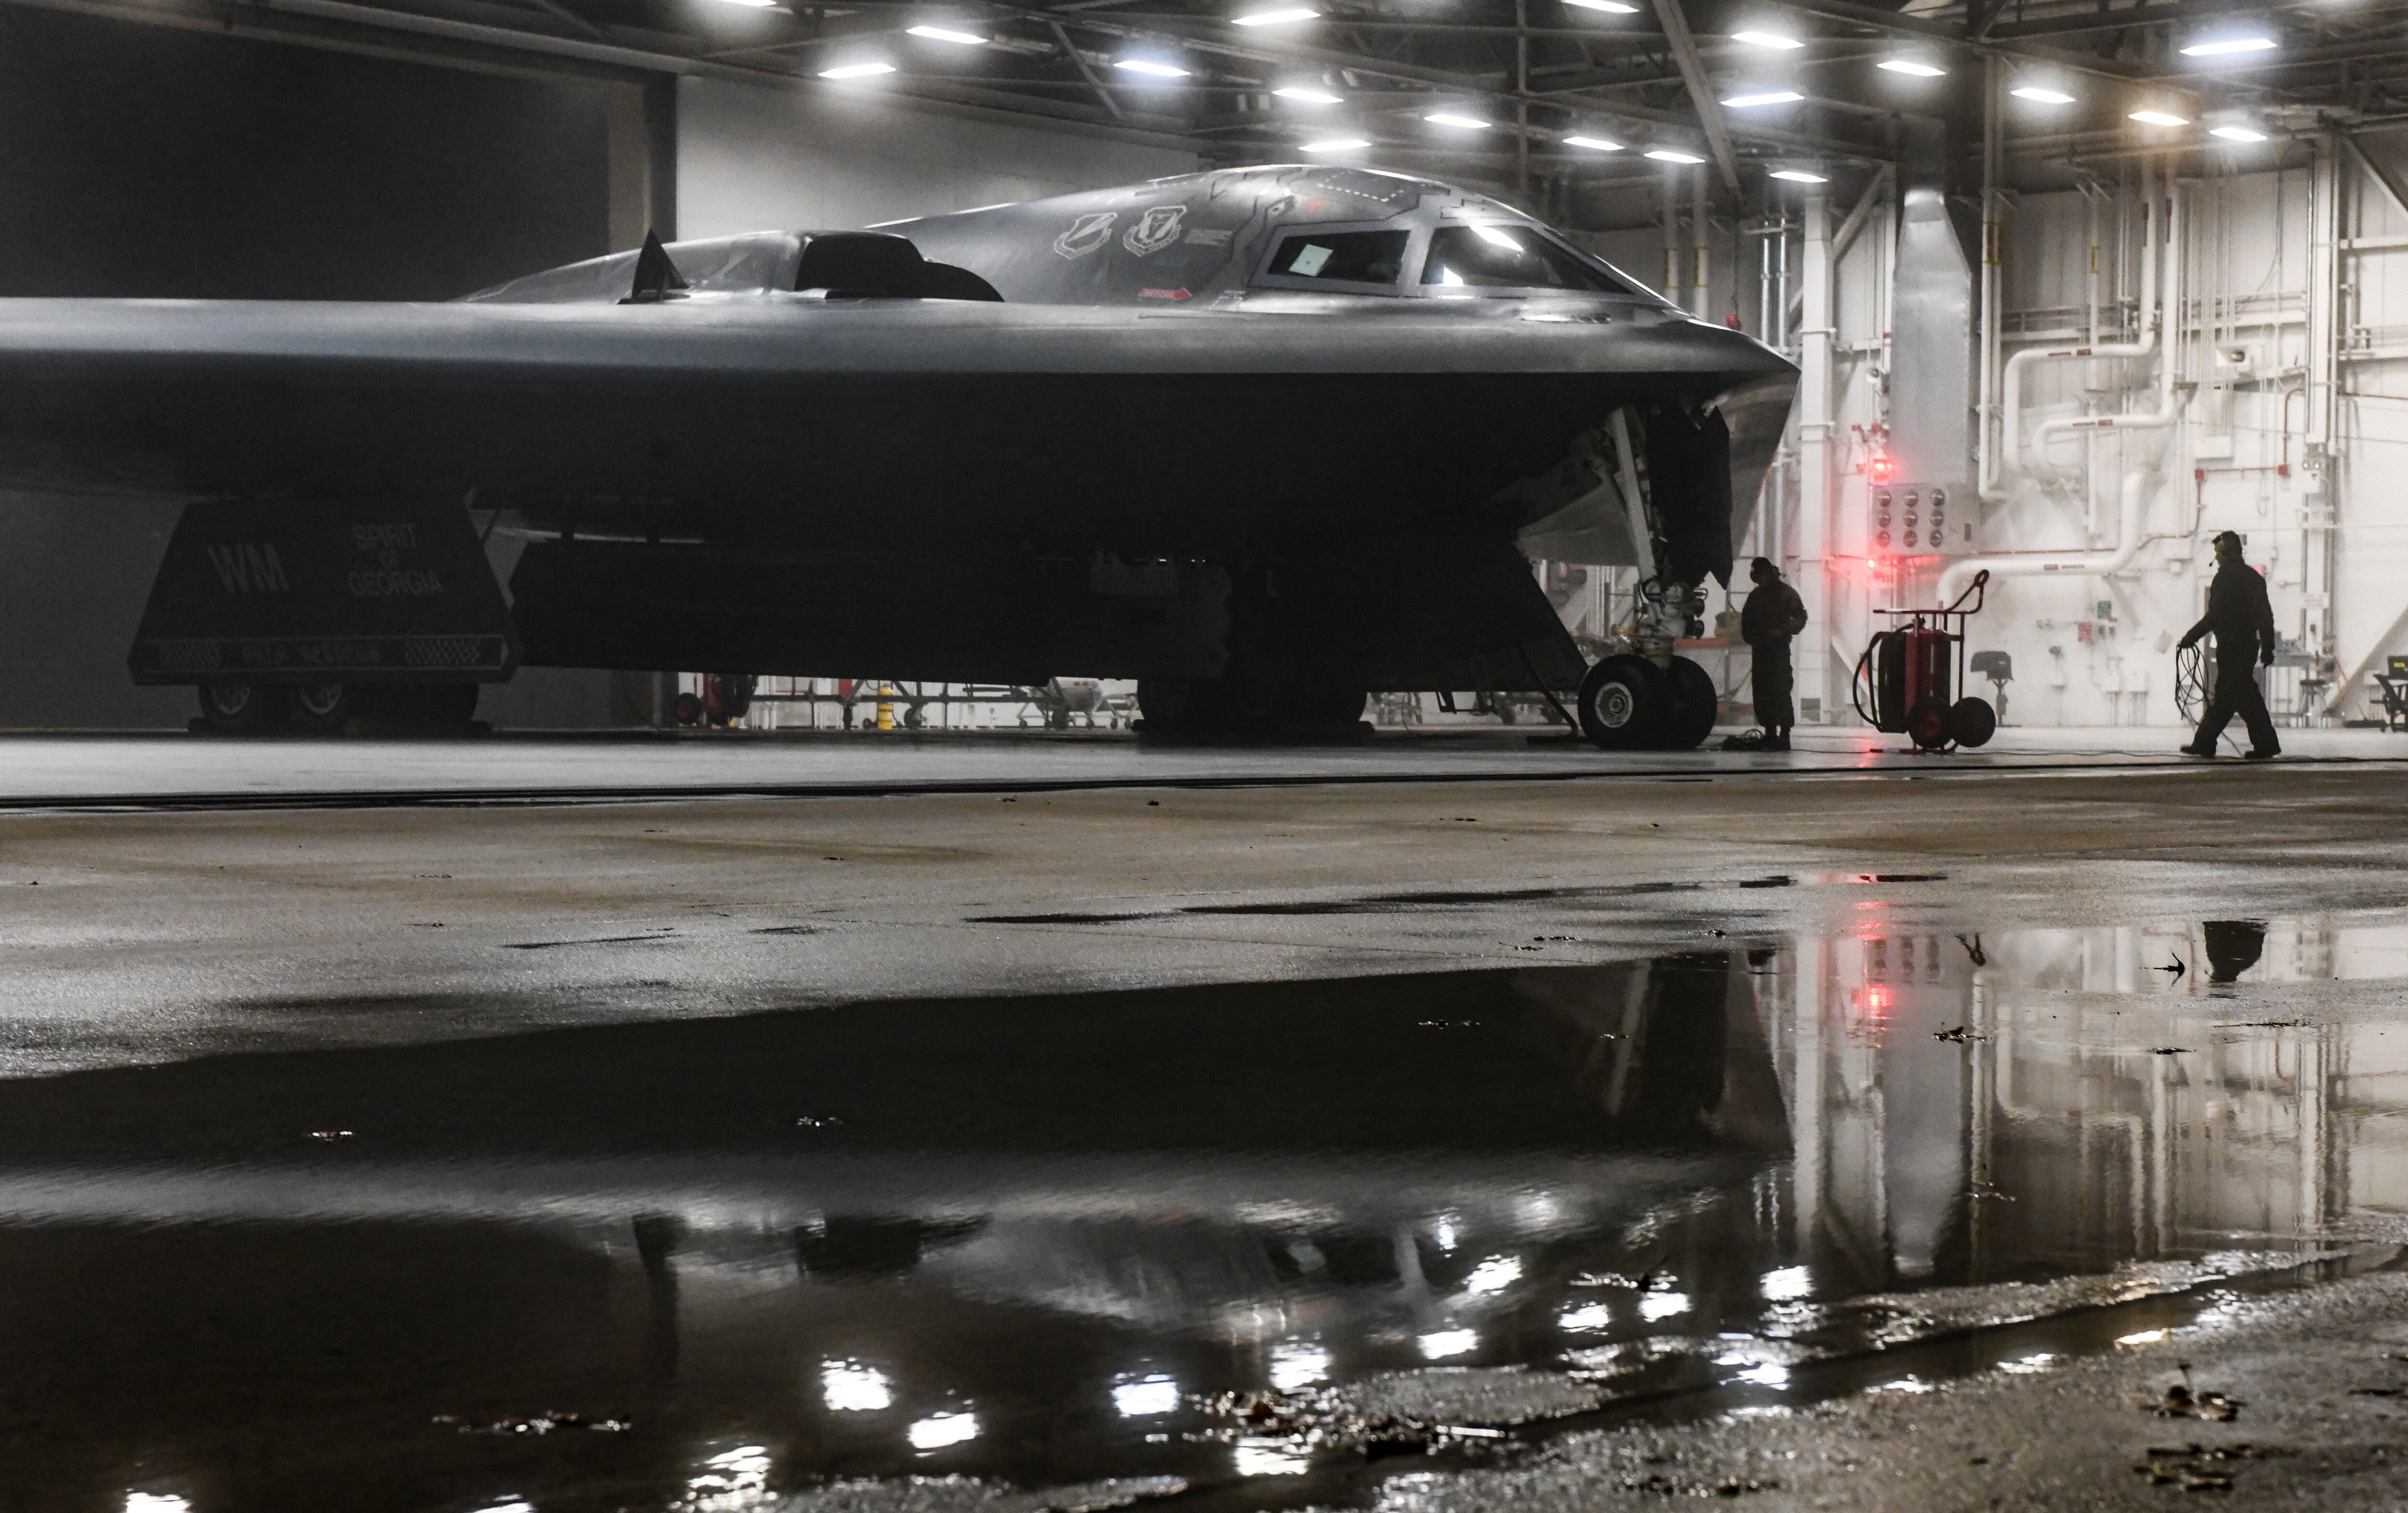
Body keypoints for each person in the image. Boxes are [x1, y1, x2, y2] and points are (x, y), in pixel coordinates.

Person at [2179, 531, 2280, 760]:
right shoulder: (2254, 578)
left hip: (2231, 647)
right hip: (2248, 647)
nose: (2217, 559)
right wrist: (2268, 647)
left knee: (2238, 696)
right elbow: (2266, 616)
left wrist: (2191, 637)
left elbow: (2215, 616)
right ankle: (2208, 742)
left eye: (2217, 553)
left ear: (2224, 552)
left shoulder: (2224, 578)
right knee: (2233, 696)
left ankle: (2211, 743)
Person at [1739, 557, 1809, 751]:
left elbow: (1800, 617)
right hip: (1761, 651)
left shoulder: (1787, 594)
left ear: (1770, 573)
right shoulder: (1755, 598)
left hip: (1778, 651)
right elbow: (1747, 624)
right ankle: (1770, 733)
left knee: (1781, 690)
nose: (1760, 580)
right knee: (1762, 692)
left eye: (1762, 575)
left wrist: (1784, 630)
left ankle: (1784, 734)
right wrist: (1756, 637)